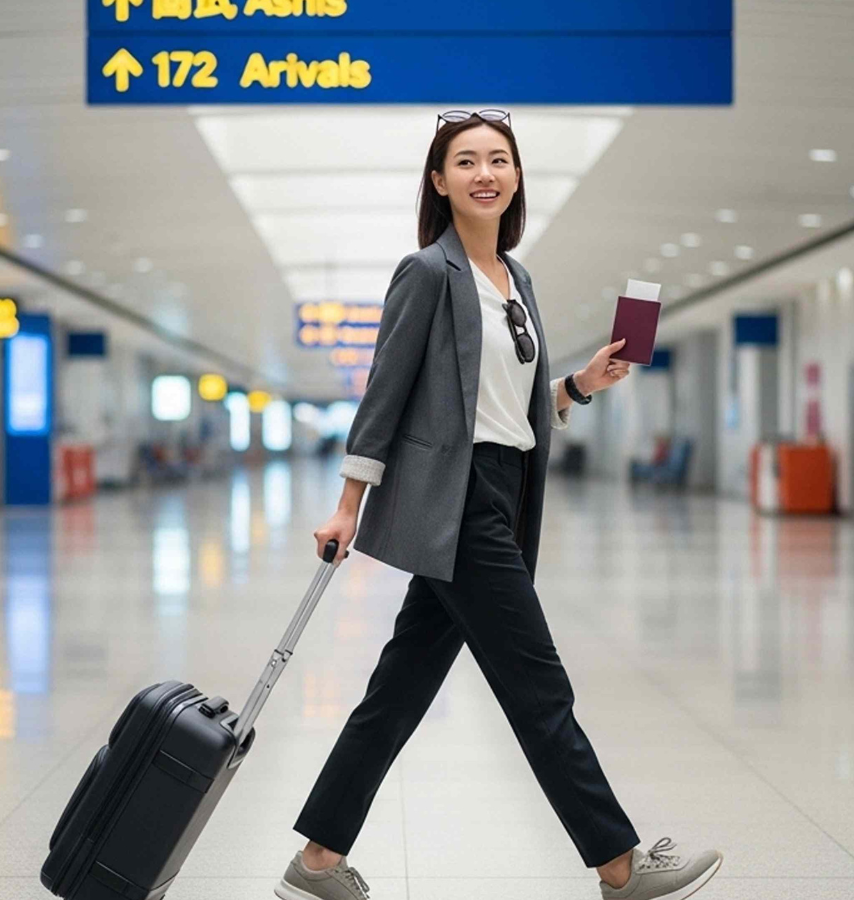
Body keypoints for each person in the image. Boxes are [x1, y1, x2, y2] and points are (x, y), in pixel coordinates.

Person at [276, 111, 724, 900]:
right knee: (537, 684)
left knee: (400, 688)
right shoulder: (426, 272)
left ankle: (316, 862)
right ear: (439, 180)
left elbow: (500, 406)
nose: (485, 172)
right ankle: (619, 865)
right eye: (466, 161)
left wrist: (578, 385)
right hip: (459, 501)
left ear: (516, 177)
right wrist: (348, 503)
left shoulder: (519, 280)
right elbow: (385, 397)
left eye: (499, 160)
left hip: (507, 492)